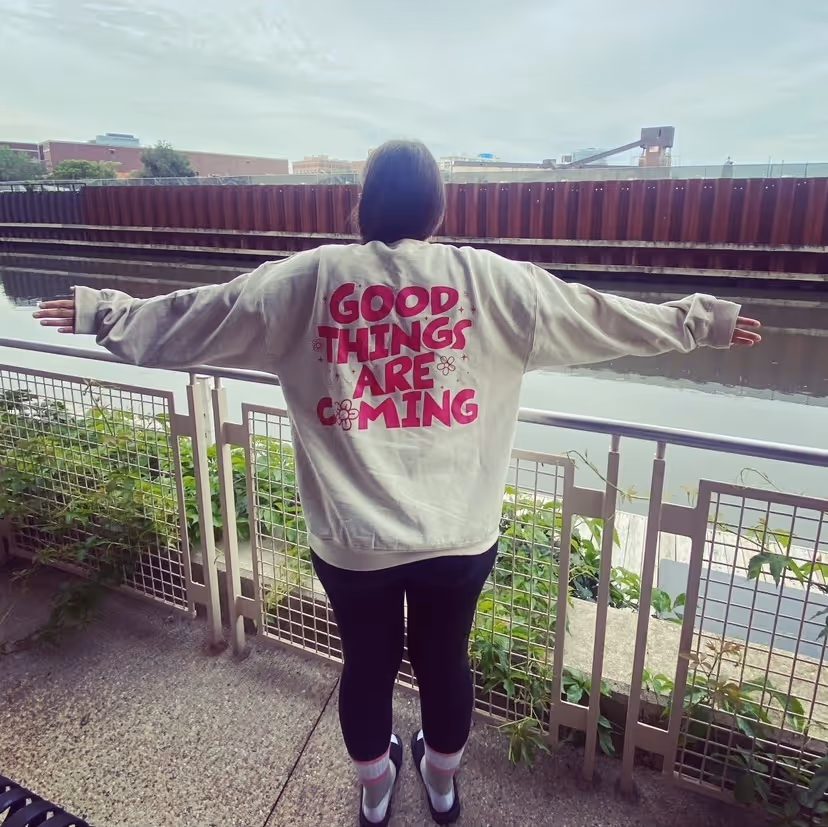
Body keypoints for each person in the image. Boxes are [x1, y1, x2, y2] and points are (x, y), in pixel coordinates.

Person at [35, 139, 761, 826]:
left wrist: (107, 314)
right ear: (437, 210)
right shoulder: (493, 281)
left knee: (367, 662)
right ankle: (441, 784)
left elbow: (199, 316)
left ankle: (376, 790)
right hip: (459, 534)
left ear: (362, 206)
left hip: (352, 541)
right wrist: (702, 322)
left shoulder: (308, 279)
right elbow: (602, 318)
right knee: (445, 662)